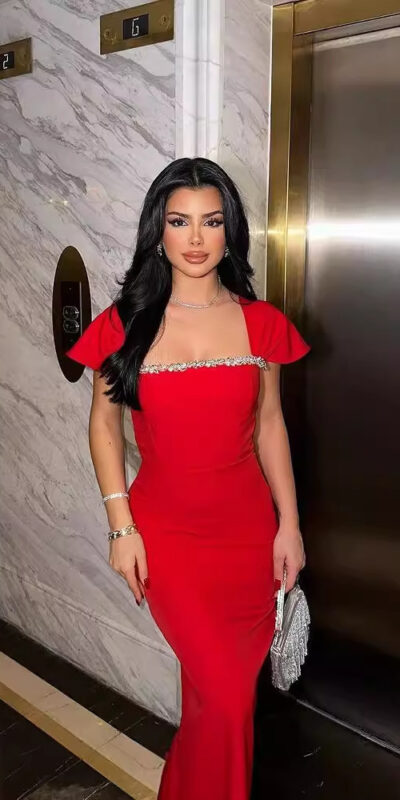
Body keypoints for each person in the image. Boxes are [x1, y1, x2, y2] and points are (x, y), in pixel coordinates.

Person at [66, 157, 311, 800]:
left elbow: (271, 427)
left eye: (212, 221)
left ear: (232, 231)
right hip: (168, 537)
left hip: (247, 535)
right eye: (180, 222)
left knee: (214, 705)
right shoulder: (124, 324)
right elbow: (104, 426)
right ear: (159, 231)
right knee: (228, 703)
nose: (197, 239)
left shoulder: (261, 323)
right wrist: (121, 524)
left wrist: (290, 524)